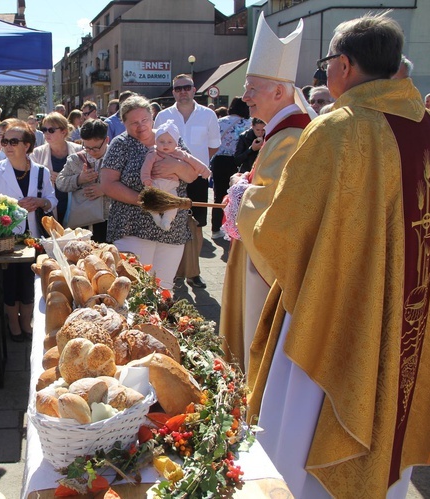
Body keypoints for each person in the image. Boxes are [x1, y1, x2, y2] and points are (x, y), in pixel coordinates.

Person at [248, 13, 430, 499]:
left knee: (304, 439)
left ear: (345, 66)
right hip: (410, 304)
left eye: (328, 61)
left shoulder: (338, 129)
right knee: (396, 396)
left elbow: (279, 235)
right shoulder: (429, 127)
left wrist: (247, 211)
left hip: (334, 316)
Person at [219, 12, 311, 374]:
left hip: (265, 266)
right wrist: (247, 181)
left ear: (278, 91)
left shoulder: (292, 136)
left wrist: (241, 189)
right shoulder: (279, 131)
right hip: (252, 255)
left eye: (252, 87)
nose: (244, 97)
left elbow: (276, 206)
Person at [100, 95, 209, 290]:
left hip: (171, 230)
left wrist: (175, 165)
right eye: (133, 122)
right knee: (134, 288)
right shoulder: (120, 144)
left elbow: (192, 176)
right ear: (123, 122)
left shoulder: (169, 137)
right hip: (132, 227)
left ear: (153, 117)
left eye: (144, 120)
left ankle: (159, 321)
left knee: (164, 287)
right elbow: (108, 184)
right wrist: (146, 201)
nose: (140, 126)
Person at [0, 122, 56, 342]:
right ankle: (13, 324)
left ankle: (26, 323)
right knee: (9, 283)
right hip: (6, 239)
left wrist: (40, 201)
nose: (7, 146)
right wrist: (14, 206)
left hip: (34, 239)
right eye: (4, 141)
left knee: (28, 283)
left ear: (27, 145)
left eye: (13, 142)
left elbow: (52, 201)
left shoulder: (41, 172)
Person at [155, 74, 221, 289]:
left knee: (197, 225)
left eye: (187, 87)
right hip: (168, 179)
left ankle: (194, 271)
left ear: (194, 90)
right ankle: (171, 271)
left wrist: (194, 165)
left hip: (197, 179)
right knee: (169, 222)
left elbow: (213, 146)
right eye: (178, 88)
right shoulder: (163, 116)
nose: (182, 91)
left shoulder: (208, 115)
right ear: (173, 92)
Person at [141, 120, 210, 231]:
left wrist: (205, 171)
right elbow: (146, 167)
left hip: (171, 186)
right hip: (155, 183)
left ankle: (167, 220)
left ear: (176, 143)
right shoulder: (153, 153)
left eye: (169, 142)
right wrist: (146, 179)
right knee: (150, 201)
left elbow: (194, 161)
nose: (165, 145)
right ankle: (156, 217)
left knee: (173, 203)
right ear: (156, 142)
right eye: (161, 141)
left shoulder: (179, 153)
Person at [56, 119, 110, 242]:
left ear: (106, 140)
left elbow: (128, 184)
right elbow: (60, 182)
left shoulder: (116, 157)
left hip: (111, 220)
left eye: (95, 148)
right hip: (83, 221)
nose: (90, 152)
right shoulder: (75, 159)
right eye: (86, 147)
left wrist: (105, 189)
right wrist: (79, 179)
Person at [29, 112, 82, 226]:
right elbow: (30, 179)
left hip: (76, 207)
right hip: (49, 209)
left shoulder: (79, 151)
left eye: (51, 130)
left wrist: (63, 179)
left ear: (64, 131)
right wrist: (45, 177)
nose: (47, 133)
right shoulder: (37, 153)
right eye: (44, 129)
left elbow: (87, 178)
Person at [210, 98, 251, 238]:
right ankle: (234, 228)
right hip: (238, 161)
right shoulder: (248, 123)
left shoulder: (220, 122)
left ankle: (215, 228)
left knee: (218, 195)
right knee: (236, 195)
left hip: (219, 161)